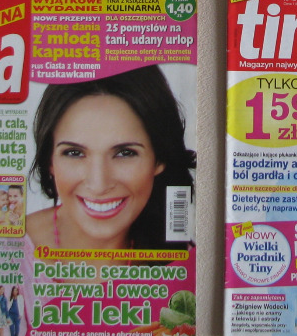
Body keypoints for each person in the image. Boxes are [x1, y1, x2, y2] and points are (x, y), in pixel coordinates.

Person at [25, 65, 195, 254]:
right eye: (74, 153)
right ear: (49, 160)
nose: (99, 185)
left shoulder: (185, 257)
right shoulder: (7, 250)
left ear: (159, 159)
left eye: (125, 153)